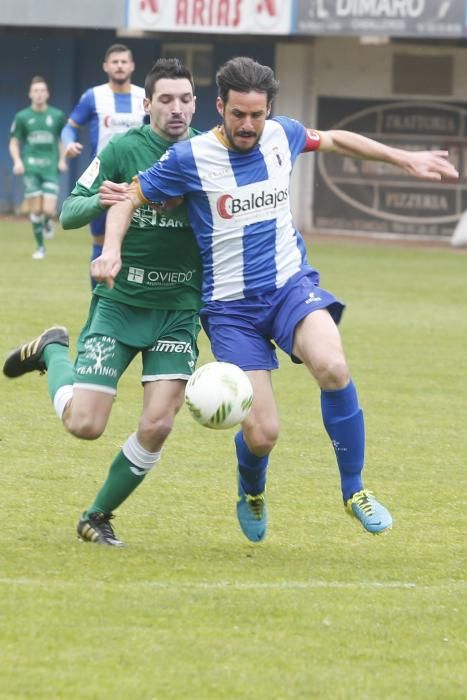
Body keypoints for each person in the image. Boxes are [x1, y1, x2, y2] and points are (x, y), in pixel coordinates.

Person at [93, 56, 459, 543]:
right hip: (230, 310)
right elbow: (129, 196)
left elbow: (332, 138)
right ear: (220, 106)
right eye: (238, 114)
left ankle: (355, 490)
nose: (248, 125)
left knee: (332, 366)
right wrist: (111, 251)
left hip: (289, 287)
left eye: (257, 115)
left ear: (270, 111)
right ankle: (251, 490)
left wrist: (404, 157)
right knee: (263, 433)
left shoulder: (281, 134)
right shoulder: (191, 158)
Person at [3, 59, 201, 547]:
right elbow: (70, 211)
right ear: (146, 103)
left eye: (186, 99)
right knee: (86, 425)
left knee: (158, 423)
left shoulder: (209, 152)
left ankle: (98, 514)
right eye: (166, 99)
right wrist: (104, 200)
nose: (177, 109)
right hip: (119, 304)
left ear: (197, 103)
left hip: (177, 310)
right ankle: (52, 351)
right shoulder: (122, 148)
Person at [61, 43, 146, 286]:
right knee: (100, 241)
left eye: (123, 61)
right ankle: (98, 300)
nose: (119, 66)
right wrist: (68, 143)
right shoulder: (93, 96)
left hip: (137, 180)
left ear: (131, 66)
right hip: (105, 181)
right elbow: (69, 127)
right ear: (106, 66)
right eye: (115, 62)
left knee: (138, 241)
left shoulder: (144, 96)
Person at [9, 76, 67, 259]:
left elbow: (63, 139)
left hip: (51, 168)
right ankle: (41, 247)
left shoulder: (57, 116)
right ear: (30, 94)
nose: (39, 94)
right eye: (36, 91)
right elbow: (14, 142)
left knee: (48, 210)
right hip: (31, 168)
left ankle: (48, 221)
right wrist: (18, 161)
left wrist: (62, 159)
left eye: (42, 90)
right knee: (35, 209)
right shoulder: (22, 117)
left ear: (48, 94)